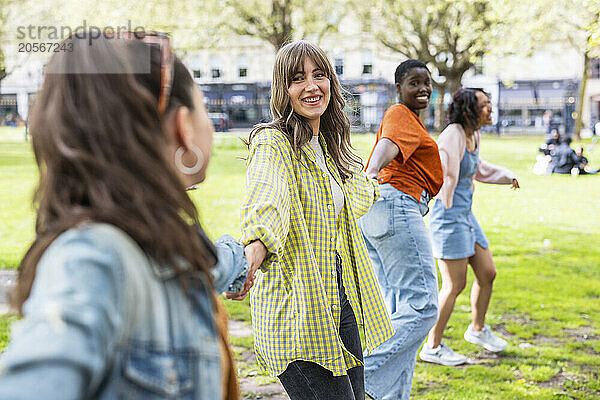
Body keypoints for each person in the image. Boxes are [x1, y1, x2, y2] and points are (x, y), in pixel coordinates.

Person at [0, 31, 263, 399]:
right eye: (203, 105)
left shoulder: (170, 243)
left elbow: (213, 265)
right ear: (183, 127)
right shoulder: (94, 260)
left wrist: (249, 255)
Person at [240, 40, 393, 400]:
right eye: (297, 78)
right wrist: (254, 252)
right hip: (298, 309)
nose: (311, 86)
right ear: (283, 89)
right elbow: (268, 199)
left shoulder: (326, 145)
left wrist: (388, 176)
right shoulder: (273, 144)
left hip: (339, 298)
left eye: (319, 75)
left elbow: (354, 194)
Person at [357, 59, 443, 400]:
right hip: (397, 206)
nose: (422, 88)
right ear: (398, 88)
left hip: (380, 211)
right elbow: (386, 146)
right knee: (422, 307)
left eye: (427, 82)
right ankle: (358, 380)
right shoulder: (400, 114)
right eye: (414, 83)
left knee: (396, 314)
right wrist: (372, 170)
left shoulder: (408, 118)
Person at [420, 88, 520, 366]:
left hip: (465, 215)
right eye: (484, 105)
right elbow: (440, 172)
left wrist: (506, 176)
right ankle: (433, 346)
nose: (490, 109)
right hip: (448, 216)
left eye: (490, 103)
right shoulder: (452, 134)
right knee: (455, 284)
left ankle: (477, 330)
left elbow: (477, 168)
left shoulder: (473, 135)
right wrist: (442, 198)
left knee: (488, 272)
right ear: (468, 110)